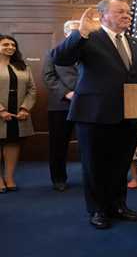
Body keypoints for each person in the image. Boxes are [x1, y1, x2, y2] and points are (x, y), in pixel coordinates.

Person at [51, 0, 137, 229]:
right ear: (103, 15)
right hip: (94, 115)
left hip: (129, 115)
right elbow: (60, 58)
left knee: (120, 164)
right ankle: (98, 209)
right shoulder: (88, 38)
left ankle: (118, 205)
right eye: (120, 12)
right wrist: (79, 33)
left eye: (128, 12)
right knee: (95, 165)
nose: (127, 15)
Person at [42, 20, 80, 192]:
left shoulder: (90, 52)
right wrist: (67, 93)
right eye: (73, 31)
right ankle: (58, 179)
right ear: (66, 34)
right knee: (58, 144)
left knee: (91, 144)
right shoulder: (52, 53)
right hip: (61, 105)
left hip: (88, 105)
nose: (77, 34)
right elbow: (49, 77)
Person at [0, 34, 36, 193]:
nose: (10, 47)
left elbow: (32, 89)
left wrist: (25, 108)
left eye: (13, 45)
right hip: (1, 112)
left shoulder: (23, 66)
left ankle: (9, 177)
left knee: (13, 143)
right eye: (5, 44)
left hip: (18, 114)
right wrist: (1, 110)